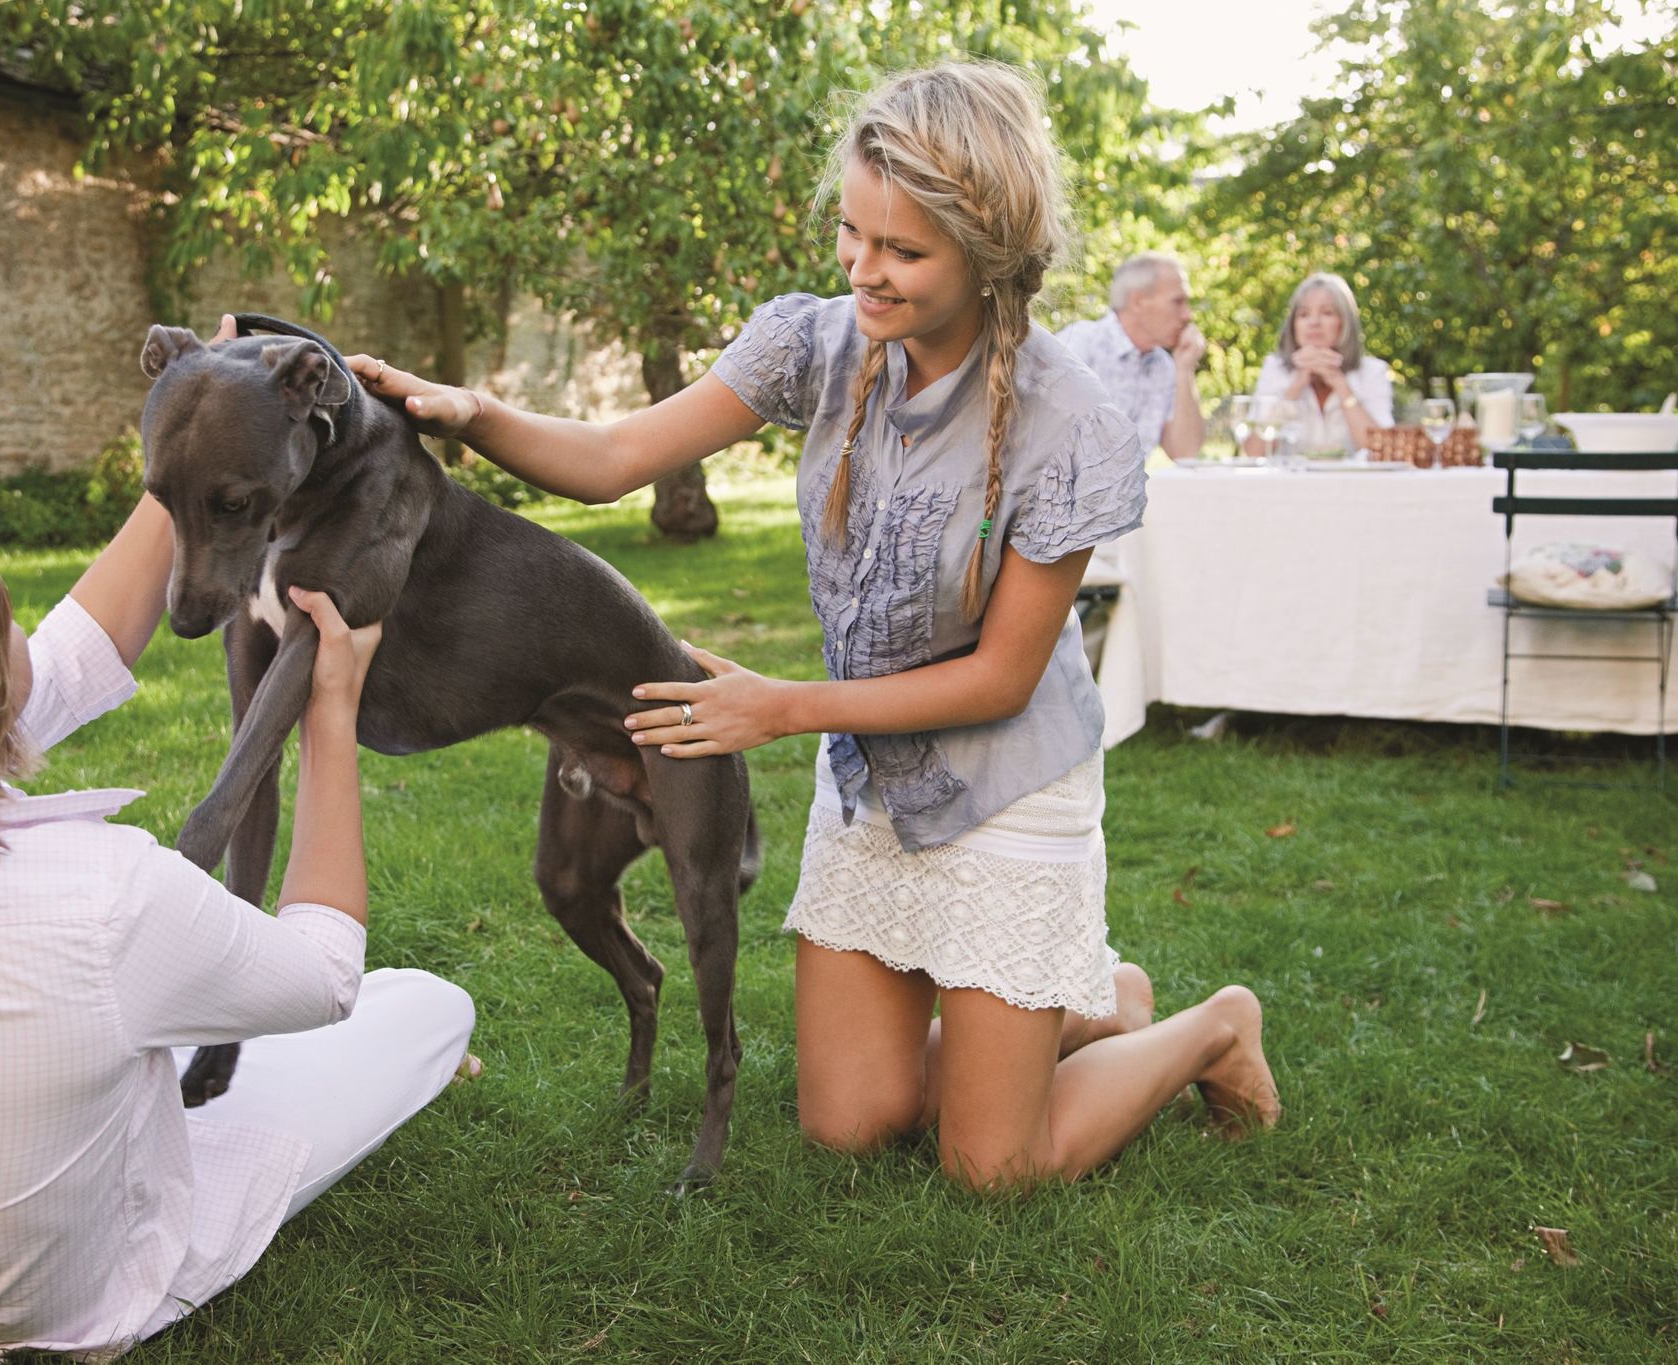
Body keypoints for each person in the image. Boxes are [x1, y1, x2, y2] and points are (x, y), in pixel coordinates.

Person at [353, 61, 1278, 1189]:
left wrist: (780, 708)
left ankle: (1206, 1027)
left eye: (900, 251)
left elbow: (998, 680)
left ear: (985, 251)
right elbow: (611, 460)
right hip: (870, 787)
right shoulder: (816, 344)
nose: (861, 269)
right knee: (847, 1124)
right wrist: (470, 413)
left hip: (1005, 793)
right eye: (851, 232)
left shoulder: (1066, 422)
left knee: (994, 1167)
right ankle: (1099, 1002)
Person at [0, 494, 476, 1359]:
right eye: (2, 612)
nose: (23, 626)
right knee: (425, 1002)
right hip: (59, 1303)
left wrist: (184, 466)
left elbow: (74, 658)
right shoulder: (106, 900)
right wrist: (330, 713)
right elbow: (327, 970)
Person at [1055, 251, 1207, 459]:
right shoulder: (1080, 345)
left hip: (1128, 491)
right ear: (1138, 301)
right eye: (1177, 302)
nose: (1187, 315)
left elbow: (1185, 452)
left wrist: (1185, 369)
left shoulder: (1163, 366)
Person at [1248, 271, 1394, 455]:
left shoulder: (1372, 371)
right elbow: (1255, 452)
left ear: (1345, 321)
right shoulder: (1275, 369)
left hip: (1353, 483)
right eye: (1304, 314)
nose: (1314, 322)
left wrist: (1340, 384)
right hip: (1290, 483)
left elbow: (1383, 450)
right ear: (1294, 324)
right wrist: (1296, 385)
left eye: (1327, 313)